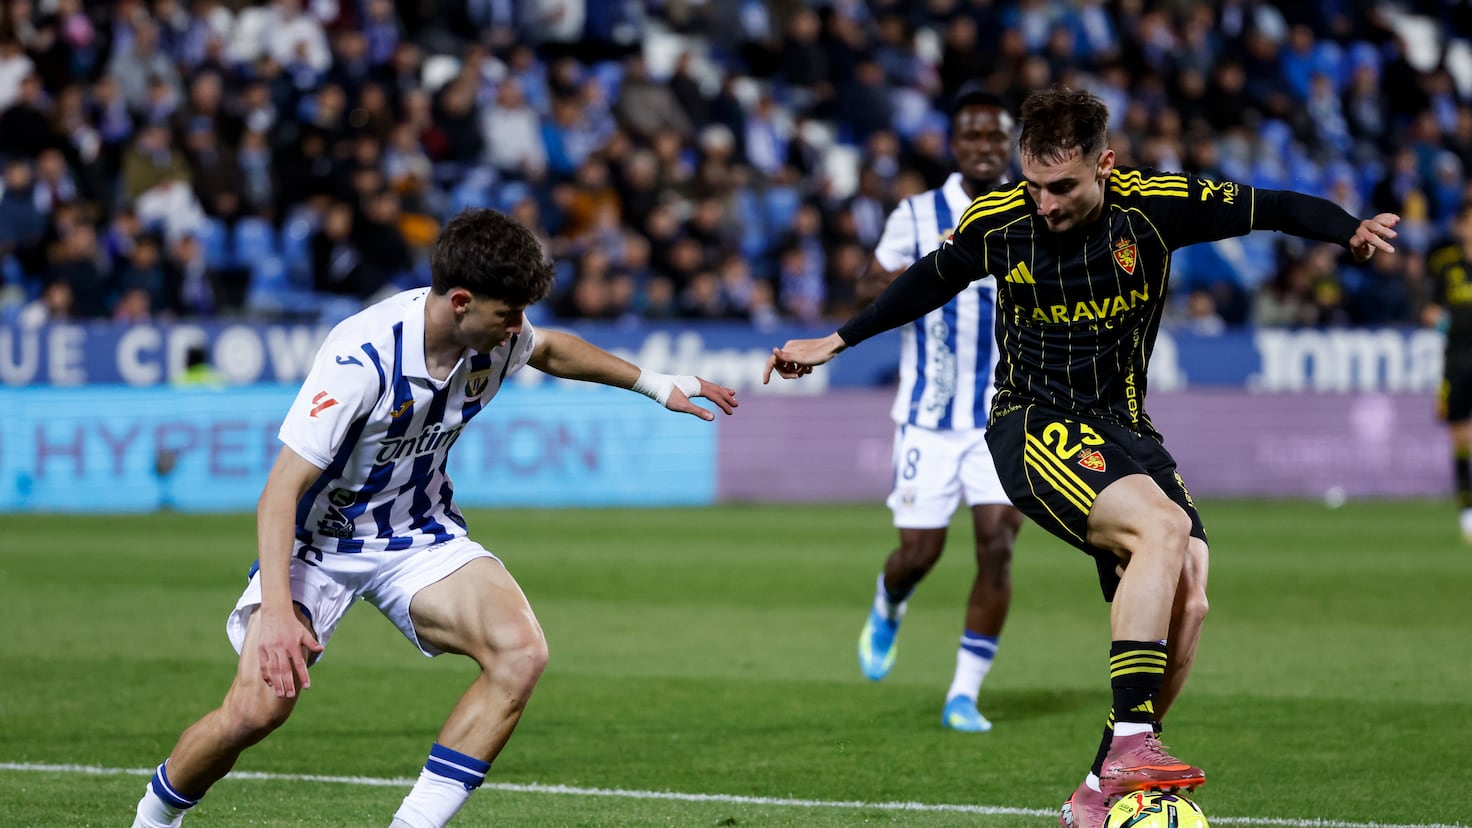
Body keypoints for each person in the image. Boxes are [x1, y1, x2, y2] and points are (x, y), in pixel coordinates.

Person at [764, 88, 1398, 828]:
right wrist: (833, 343)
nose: (1044, 203)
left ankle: (1098, 793)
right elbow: (925, 282)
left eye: (1062, 187)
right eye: (1032, 183)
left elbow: (1271, 206)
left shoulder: (1156, 206)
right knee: (1161, 532)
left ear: (1105, 164)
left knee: (1190, 591)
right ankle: (1133, 743)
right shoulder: (998, 221)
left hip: (1126, 429)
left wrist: (1345, 228)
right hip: (1031, 423)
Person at [131, 207, 739, 828]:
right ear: (460, 301)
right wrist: (281, 615)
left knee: (520, 652)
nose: (517, 330)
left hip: (416, 535)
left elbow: (552, 350)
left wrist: (655, 383)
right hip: (315, 547)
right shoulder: (362, 358)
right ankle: (153, 817)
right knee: (255, 713)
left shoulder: (497, 337)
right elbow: (280, 493)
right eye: (507, 315)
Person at [853, 83, 1024, 733]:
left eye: (995, 135)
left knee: (997, 545)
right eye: (973, 136)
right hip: (929, 414)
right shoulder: (918, 214)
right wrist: (941, 261)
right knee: (919, 553)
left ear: (1010, 144)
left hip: (1005, 417)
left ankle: (963, 693)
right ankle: (889, 601)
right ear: (955, 145)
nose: (984, 146)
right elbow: (868, 290)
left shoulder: (1033, 212)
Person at [1427, 203, 1472, 542]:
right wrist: (1440, 321)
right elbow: (1428, 309)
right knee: (1459, 436)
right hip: (1456, 360)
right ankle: (1467, 510)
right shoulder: (1445, 265)